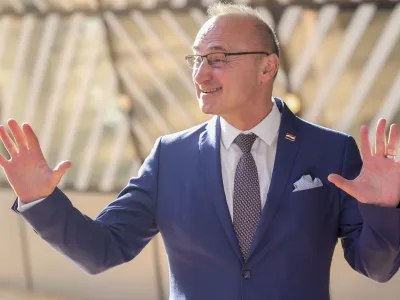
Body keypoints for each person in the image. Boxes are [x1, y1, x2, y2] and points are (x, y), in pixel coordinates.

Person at [3, 3, 400, 300]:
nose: (200, 74)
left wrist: (384, 209)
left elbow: (377, 268)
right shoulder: (170, 158)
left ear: (267, 69)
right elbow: (102, 250)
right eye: (196, 60)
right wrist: (41, 200)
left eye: (218, 59)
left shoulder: (331, 150)